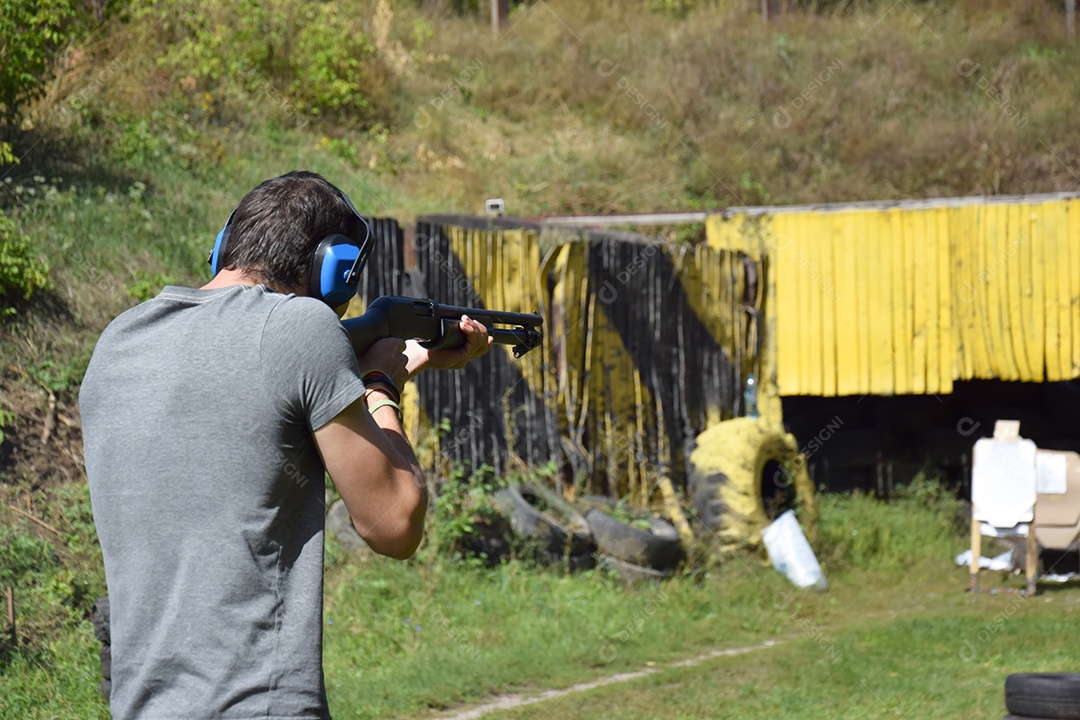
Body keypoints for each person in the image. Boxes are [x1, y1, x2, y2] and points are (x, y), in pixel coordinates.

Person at [80, 170, 491, 719]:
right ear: (336, 270)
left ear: (225, 245)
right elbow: (395, 524)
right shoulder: (303, 327)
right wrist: (380, 385)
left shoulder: (119, 340)